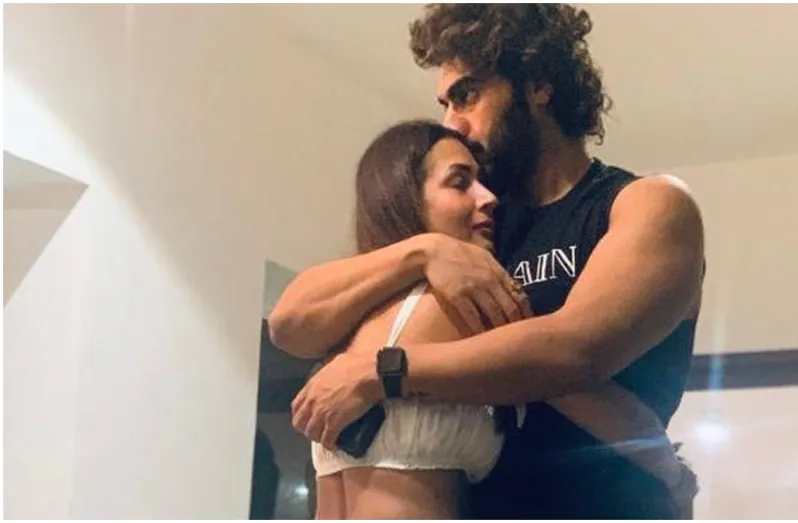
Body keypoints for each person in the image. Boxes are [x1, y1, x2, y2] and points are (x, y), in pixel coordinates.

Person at [271, 4, 704, 519]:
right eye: (445, 104)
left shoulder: (644, 205)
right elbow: (291, 321)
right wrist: (422, 250)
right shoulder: (482, 223)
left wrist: (383, 370)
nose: (453, 122)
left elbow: (573, 354)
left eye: (467, 95)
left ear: (538, 83)